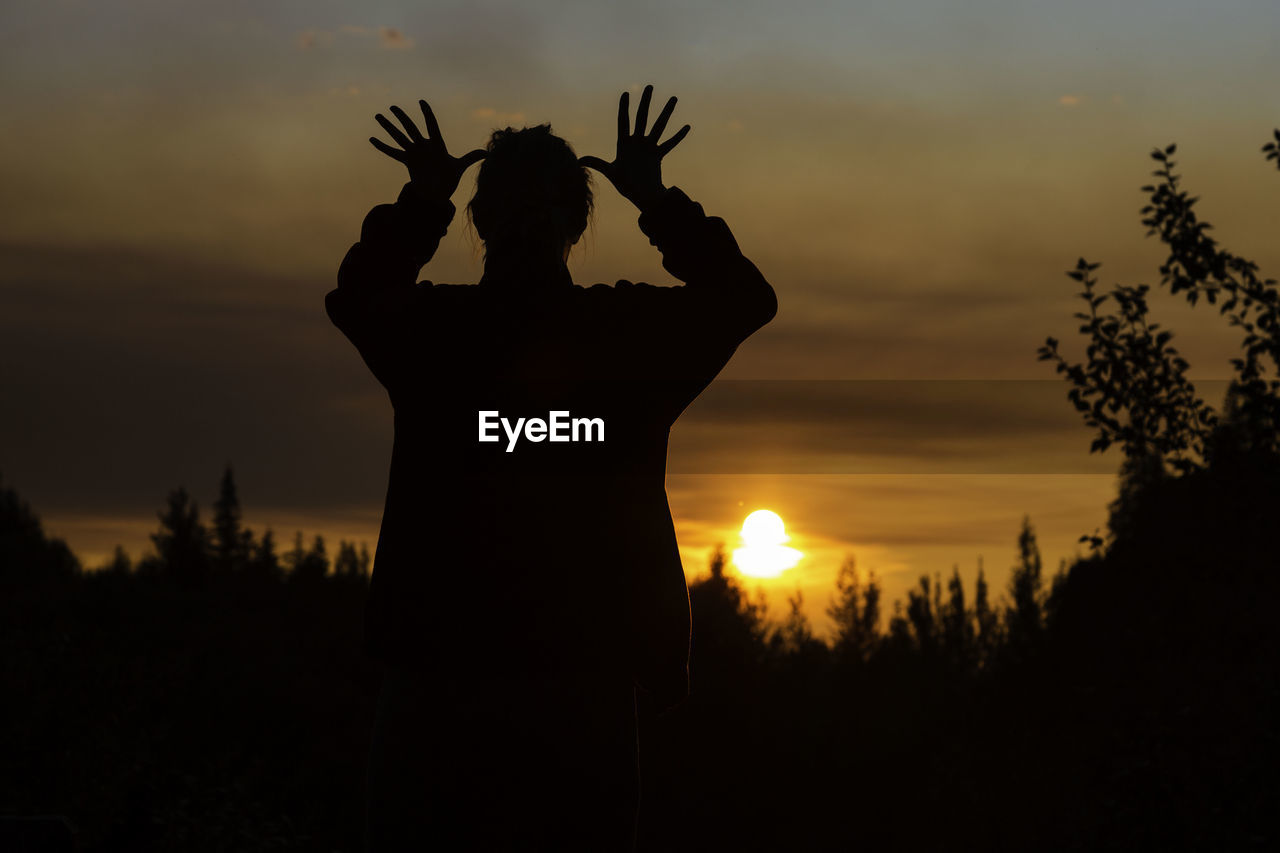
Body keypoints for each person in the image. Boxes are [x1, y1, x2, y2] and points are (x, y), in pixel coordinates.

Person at [326, 85, 776, 851]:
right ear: (580, 223)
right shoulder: (625, 335)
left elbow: (359, 294)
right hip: (583, 700)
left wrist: (423, 199)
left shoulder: (435, 333)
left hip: (439, 696)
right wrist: (655, 198)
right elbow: (742, 298)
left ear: (479, 222)